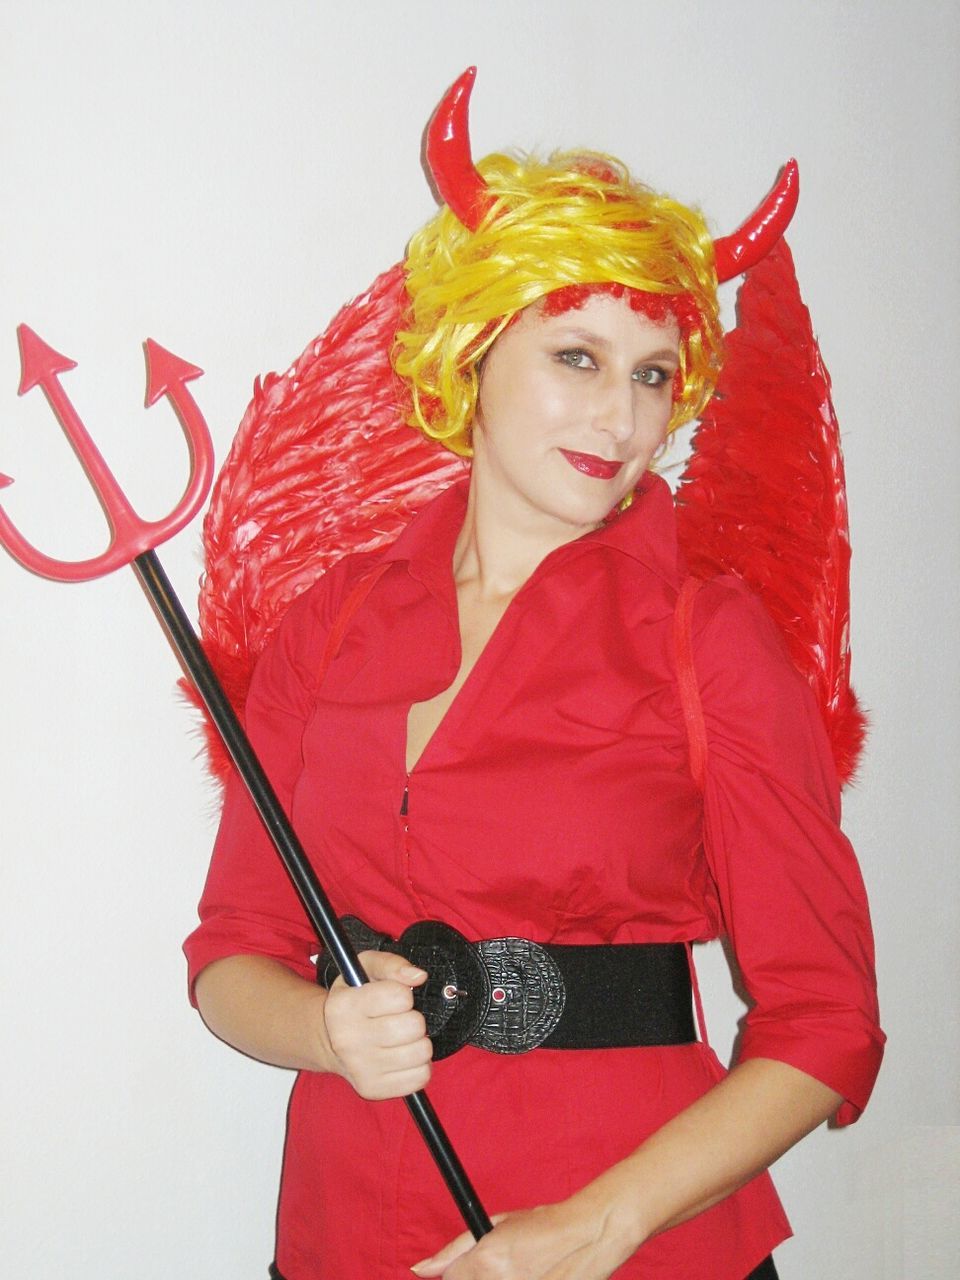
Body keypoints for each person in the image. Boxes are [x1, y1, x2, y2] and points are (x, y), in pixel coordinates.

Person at [184, 70, 883, 1280]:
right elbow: (230, 951)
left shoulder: (708, 636)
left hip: (638, 1245)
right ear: (474, 352)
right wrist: (322, 1026)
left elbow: (824, 1024)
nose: (620, 416)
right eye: (577, 354)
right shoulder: (327, 627)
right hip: (352, 1232)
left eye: (654, 373)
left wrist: (599, 1222)